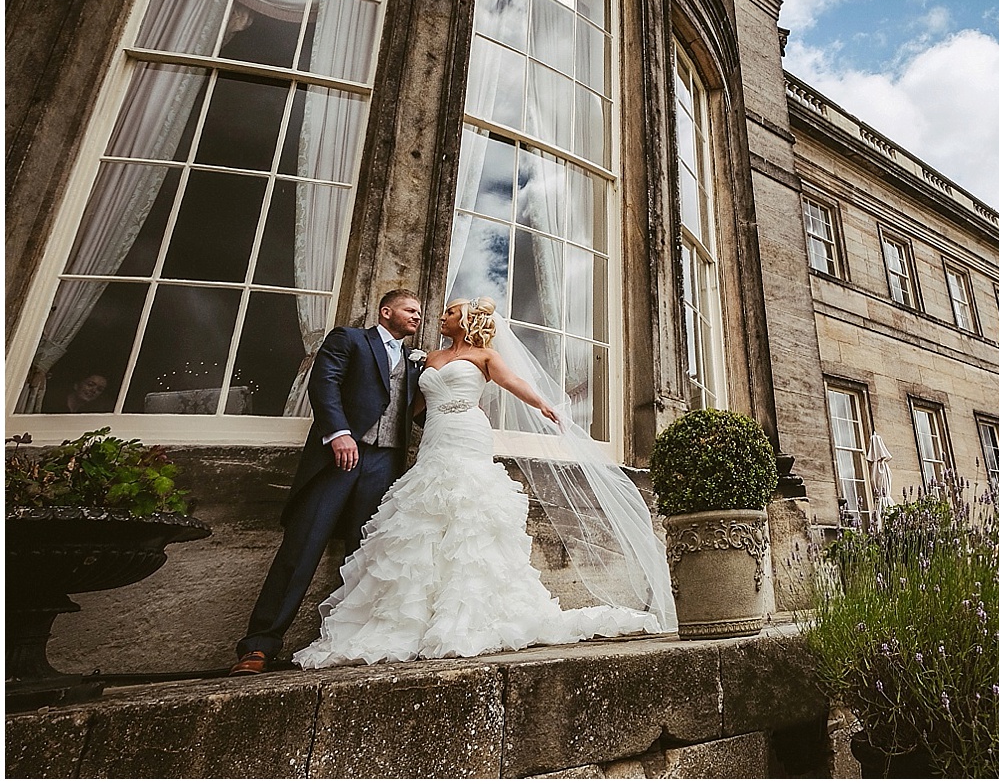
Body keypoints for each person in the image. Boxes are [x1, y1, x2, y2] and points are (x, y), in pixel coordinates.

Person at [292, 296, 672, 669]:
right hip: (435, 436)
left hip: (467, 431)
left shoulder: (485, 356)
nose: (441, 317)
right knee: (425, 509)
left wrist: (545, 405)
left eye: (450, 312)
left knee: (468, 506)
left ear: (468, 319)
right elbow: (411, 405)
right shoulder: (428, 359)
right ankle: (414, 612)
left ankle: (467, 610)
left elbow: (514, 382)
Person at [229, 288, 424, 674]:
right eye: (410, 309)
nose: (418, 316)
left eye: (419, 312)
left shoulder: (414, 361)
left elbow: (413, 411)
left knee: (366, 555)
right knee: (303, 545)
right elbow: (325, 383)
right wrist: (338, 433)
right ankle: (259, 646)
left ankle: (347, 641)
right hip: (341, 458)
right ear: (386, 312)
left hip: (385, 463)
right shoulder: (349, 338)